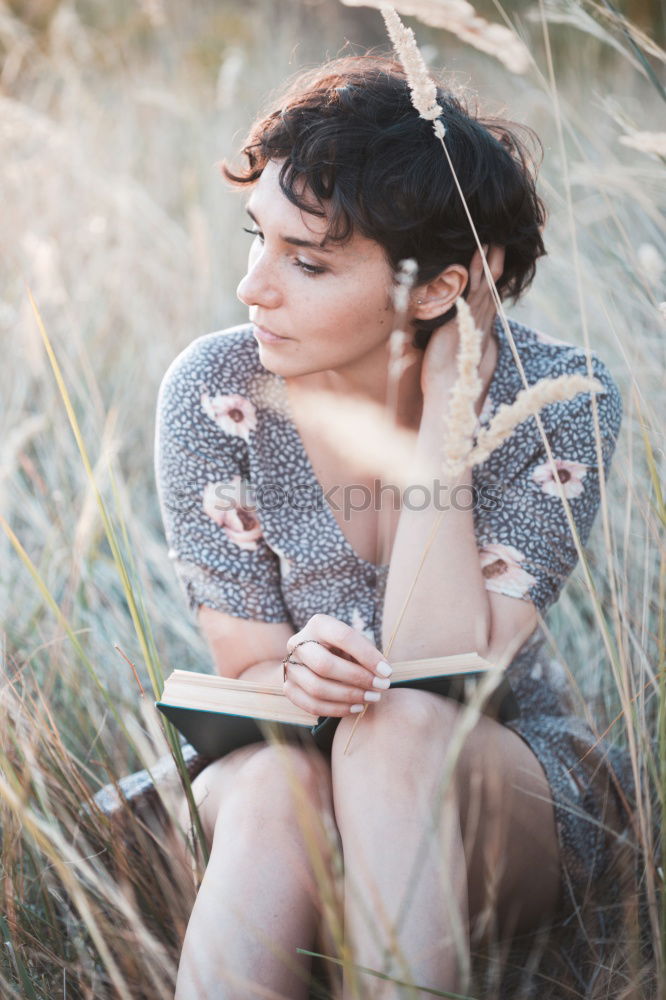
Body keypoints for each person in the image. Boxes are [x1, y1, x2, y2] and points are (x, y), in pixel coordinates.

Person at [154, 54, 635, 1000]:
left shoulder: (555, 403)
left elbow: (447, 669)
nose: (255, 288)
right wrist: (298, 671)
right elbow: (247, 665)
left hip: (488, 782)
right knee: (274, 789)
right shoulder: (216, 392)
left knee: (395, 724)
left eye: (308, 261)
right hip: (285, 766)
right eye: (257, 239)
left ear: (434, 289)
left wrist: (451, 408)